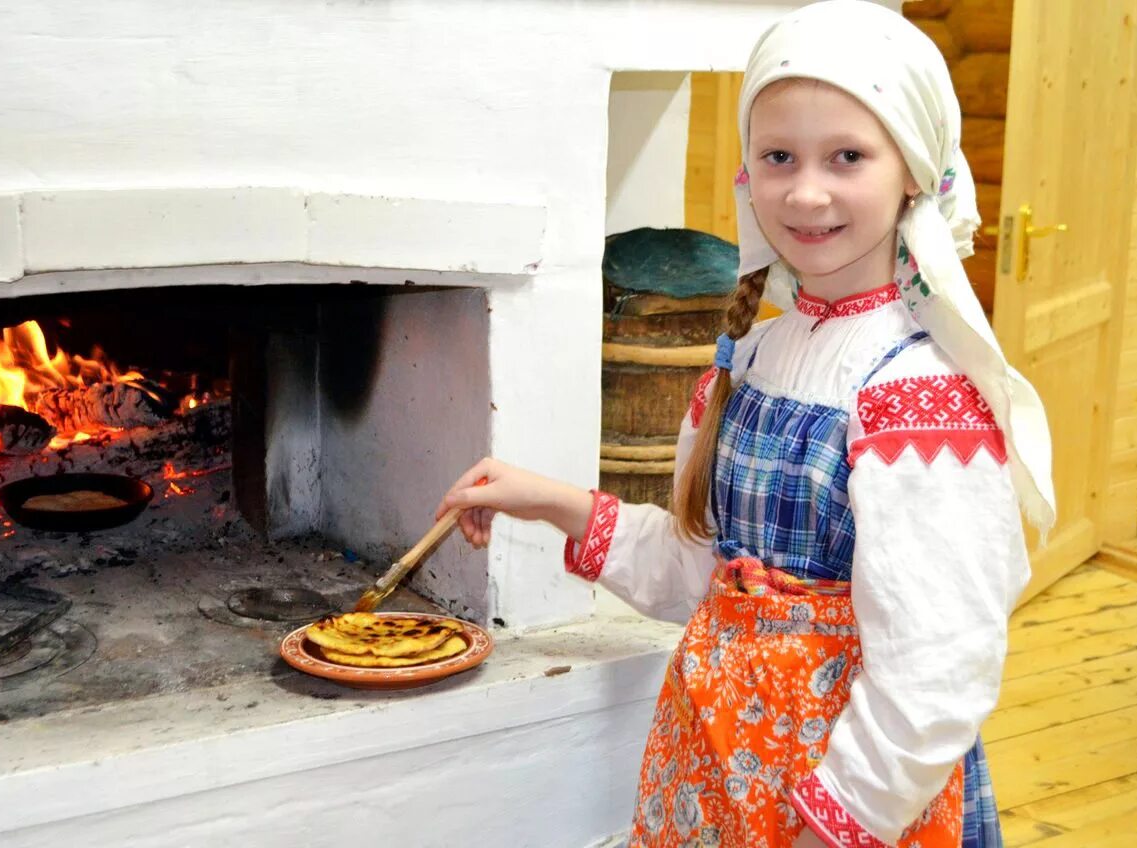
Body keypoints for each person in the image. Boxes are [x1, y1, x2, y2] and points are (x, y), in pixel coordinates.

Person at [437, 2, 1055, 846]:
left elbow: (935, 673)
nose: (805, 191)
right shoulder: (752, 357)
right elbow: (704, 574)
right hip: (718, 772)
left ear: (913, 168)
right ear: (747, 172)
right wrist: (550, 501)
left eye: (847, 156)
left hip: (842, 811)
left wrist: (833, 829)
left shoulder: (922, 397)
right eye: (778, 156)